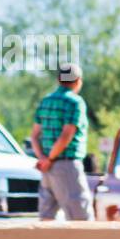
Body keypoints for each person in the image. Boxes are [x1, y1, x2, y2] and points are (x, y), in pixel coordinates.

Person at [30, 62, 93, 221]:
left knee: (47, 217)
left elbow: (34, 136)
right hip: (66, 166)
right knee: (82, 219)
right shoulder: (75, 102)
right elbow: (66, 136)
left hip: (47, 169)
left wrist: (43, 159)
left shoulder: (46, 101)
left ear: (59, 80)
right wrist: (50, 159)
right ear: (78, 81)